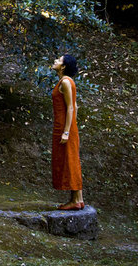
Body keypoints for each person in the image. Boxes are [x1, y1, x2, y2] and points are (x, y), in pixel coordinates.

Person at [50, 55, 84, 210]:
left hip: (65, 127)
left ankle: (76, 200)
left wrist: (67, 131)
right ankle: (77, 199)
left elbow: (71, 107)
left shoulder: (65, 82)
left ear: (63, 67)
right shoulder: (65, 81)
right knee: (70, 160)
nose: (55, 61)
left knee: (70, 162)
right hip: (65, 126)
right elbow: (75, 107)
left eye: (59, 60)